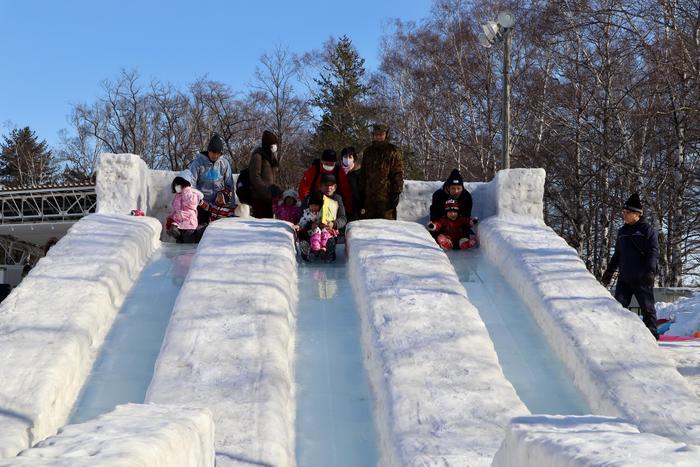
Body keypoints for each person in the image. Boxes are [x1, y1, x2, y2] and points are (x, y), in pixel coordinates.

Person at [601, 193, 659, 340]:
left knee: (648, 309)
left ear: (637, 214)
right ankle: (619, 338)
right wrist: (609, 272)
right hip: (624, 279)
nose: (624, 215)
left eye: (627, 212)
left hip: (642, 278)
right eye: (623, 212)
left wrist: (650, 272)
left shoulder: (647, 230)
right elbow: (617, 254)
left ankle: (652, 337)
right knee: (618, 308)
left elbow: (653, 252)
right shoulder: (622, 232)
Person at [357, 123, 404, 220]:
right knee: (368, 226)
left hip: (386, 197)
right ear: (373, 135)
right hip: (369, 197)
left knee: (386, 228)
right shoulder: (368, 151)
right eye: (376, 134)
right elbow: (363, 174)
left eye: (381, 134)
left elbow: (397, 173)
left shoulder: (393, 151)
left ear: (386, 135)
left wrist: (396, 192)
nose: (378, 137)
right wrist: (361, 192)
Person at [187, 133, 235, 225]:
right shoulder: (198, 163)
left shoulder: (224, 164)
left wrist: (231, 206)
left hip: (219, 206)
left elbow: (230, 184)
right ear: (208, 150)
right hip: (202, 204)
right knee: (201, 229)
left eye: (218, 153)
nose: (215, 155)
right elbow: (191, 183)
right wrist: (194, 202)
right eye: (213, 152)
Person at [298, 149, 353, 215]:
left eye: (331, 164)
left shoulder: (339, 172)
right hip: (315, 199)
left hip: (333, 200)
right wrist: (309, 203)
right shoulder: (314, 170)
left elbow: (346, 190)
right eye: (326, 163)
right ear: (321, 161)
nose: (329, 165)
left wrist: (348, 209)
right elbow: (303, 188)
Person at [249, 130, 282, 218]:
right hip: (259, 198)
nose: (275, 146)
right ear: (268, 144)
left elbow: (273, 177)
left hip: (270, 198)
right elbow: (254, 177)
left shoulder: (271, 157)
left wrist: (277, 191)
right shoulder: (258, 156)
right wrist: (265, 192)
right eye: (273, 144)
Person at [165, 173, 205, 243]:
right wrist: (170, 218)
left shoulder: (192, 194)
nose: (176, 186)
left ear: (184, 184)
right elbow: (176, 210)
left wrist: (186, 190)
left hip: (189, 223)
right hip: (179, 223)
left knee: (188, 240)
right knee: (173, 231)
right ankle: (181, 242)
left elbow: (192, 204)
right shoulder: (177, 196)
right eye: (175, 184)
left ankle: (200, 232)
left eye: (178, 184)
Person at [341, 146, 361, 221]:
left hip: (356, 208)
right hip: (341, 207)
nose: (347, 159)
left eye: (350, 157)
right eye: (345, 157)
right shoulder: (338, 172)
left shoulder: (359, 172)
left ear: (354, 159)